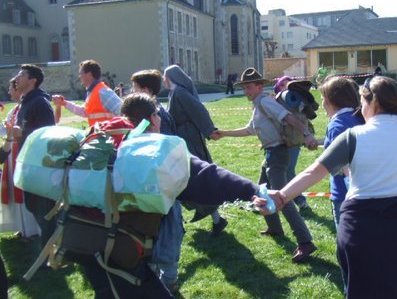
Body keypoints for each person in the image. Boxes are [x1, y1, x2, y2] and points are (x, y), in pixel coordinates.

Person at [257, 76, 397, 298]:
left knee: (363, 289)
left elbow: (314, 171)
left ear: (373, 103)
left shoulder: (353, 136)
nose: (359, 108)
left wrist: (282, 196)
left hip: (360, 227)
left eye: (361, 103)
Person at [78, 93, 265, 298]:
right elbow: (202, 174)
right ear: (152, 118)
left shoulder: (102, 135)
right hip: (124, 247)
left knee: (107, 291)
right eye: (158, 115)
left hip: (85, 237)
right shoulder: (152, 148)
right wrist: (252, 190)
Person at [217, 68, 318, 263]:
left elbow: (289, 118)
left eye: (249, 87)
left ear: (259, 86)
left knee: (283, 198)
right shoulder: (258, 105)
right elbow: (249, 130)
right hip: (270, 155)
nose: (246, 91)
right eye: (244, 87)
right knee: (262, 192)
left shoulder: (265, 101)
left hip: (278, 154)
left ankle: (305, 242)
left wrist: (307, 135)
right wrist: (223, 133)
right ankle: (275, 228)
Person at [130, 69, 181, 292]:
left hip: (163, 190)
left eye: (136, 89)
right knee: (154, 236)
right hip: (150, 190)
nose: (133, 92)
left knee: (167, 235)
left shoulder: (156, 116)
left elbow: (164, 147)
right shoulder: (145, 118)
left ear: (147, 91)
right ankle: (157, 280)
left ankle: (167, 282)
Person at [163, 65, 227, 235]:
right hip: (182, 138)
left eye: (165, 77)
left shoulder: (180, 93)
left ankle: (212, 216)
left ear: (171, 78)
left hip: (189, 139)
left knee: (195, 175)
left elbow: (199, 110)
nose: (164, 80)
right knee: (190, 177)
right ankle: (216, 219)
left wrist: (209, 130)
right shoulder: (174, 93)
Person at [13, 64, 56, 248]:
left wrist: (21, 132)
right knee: (32, 205)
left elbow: (48, 133)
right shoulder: (26, 101)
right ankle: (53, 248)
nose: (17, 77)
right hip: (28, 161)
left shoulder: (40, 102)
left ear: (33, 80)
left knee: (42, 208)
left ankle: (51, 253)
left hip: (39, 164)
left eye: (22, 74)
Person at [319, 75, 364, 228]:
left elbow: (345, 166)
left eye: (323, 98)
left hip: (346, 195)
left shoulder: (337, 125)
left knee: (347, 246)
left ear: (332, 100)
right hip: (368, 190)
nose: (322, 103)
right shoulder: (358, 117)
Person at [0, 79, 40, 238]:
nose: (9, 92)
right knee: (15, 192)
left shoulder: (29, 107)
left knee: (25, 193)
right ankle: (22, 227)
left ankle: (31, 230)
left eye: (11, 89)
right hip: (11, 154)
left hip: (22, 155)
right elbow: (5, 130)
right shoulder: (15, 110)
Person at [272, 75, 309, 210]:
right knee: (272, 171)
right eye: (283, 85)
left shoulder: (298, 101)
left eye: (289, 86)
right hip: (277, 141)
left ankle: (300, 201)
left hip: (293, 140)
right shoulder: (273, 101)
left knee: (288, 170)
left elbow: (304, 118)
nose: (286, 89)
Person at [52, 60, 122, 126]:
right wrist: (64, 103)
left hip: (109, 136)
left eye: (81, 74)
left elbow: (123, 112)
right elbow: (84, 112)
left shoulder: (103, 92)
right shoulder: (93, 92)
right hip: (101, 135)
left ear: (89, 75)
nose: (79, 77)